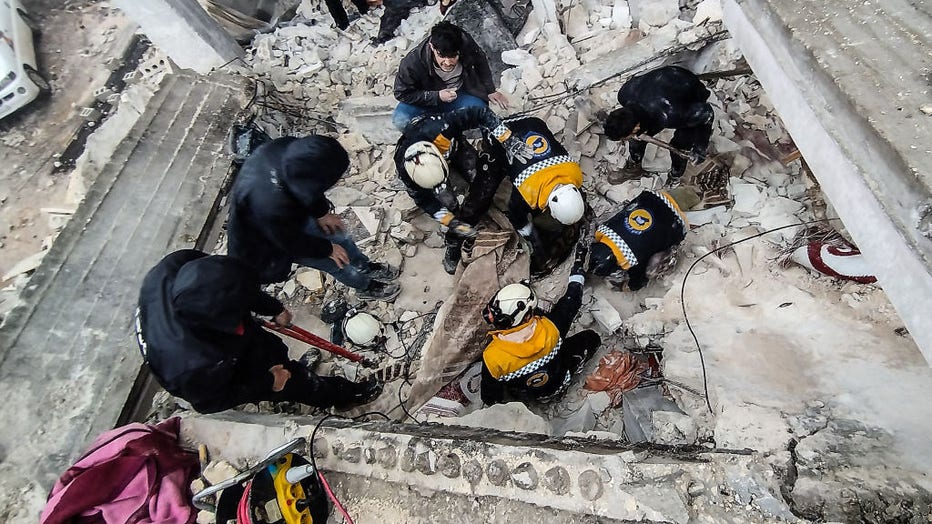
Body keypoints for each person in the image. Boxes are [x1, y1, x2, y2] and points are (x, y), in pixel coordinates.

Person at [135, 250, 382, 414]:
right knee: (292, 382)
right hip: (217, 369)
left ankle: (284, 365)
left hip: (217, 336)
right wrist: (267, 382)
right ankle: (340, 396)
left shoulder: (175, 267)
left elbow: (231, 282)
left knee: (271, 350)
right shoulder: (192, 366)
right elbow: (209, 402)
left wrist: (272, 308)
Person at [227, 135, 400, 300]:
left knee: (340, 237)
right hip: (271, 241)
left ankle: (364, 265)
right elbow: (291, 243)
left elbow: (312, 183)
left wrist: (321, 213)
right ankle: (365, 286)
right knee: (336, 264)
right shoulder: (268, 206)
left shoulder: (287, 150)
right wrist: (327, 249)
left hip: (289, 214)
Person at [395, 106, 532, 273]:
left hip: (455, 147)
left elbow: (479, 112)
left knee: (482, 181)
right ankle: (453, 243)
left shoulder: (442, 127)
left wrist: (507, 138)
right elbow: (425, 201)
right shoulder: (407, 170)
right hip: (435, 156)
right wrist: (450, 221)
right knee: (448, 203)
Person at [479, 245, 601, 405]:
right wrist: (578, 265)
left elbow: (489, 397)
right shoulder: (552, 327)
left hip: (529, 393)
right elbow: (572, 299)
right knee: (591, 338)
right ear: (528, 315)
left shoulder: (492, 358)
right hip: (559, 380)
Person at [474, 116, 587, 252]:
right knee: (490, 178)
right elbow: (515, 212)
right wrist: (528, 233)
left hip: (533, 122)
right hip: (497, 132)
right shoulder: (528, 192)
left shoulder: (574, 172)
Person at [392, 21, 509, 131]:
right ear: (432, 47)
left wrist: (490, 90)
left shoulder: (465, 42)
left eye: (453, 56)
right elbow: (401, 93)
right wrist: (436, 96)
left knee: (481, 111)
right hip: (426, 102)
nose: (447, 62)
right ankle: (433, 137)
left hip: (458, 96)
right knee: (400, 120)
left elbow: (480, 60)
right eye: (442, 56)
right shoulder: (412, 63)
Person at [603, 65, 714, 180]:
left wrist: (700, 147)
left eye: (626, 137)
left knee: (680, 146)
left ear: (636, 127)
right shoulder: (624, 95)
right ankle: (635, 166)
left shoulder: (670, 116)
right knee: (636, 140)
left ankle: (675, 174)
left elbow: (707, 113)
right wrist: (633, 135)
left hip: (689, 93)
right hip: (661, 85)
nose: (627, 138)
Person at [587, 189, 689, 290]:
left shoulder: (633, 259)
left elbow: (638, 280)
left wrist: (629, 286)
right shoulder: (603, 231)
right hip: (653, 198)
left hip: (677, 222)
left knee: (651, 269)